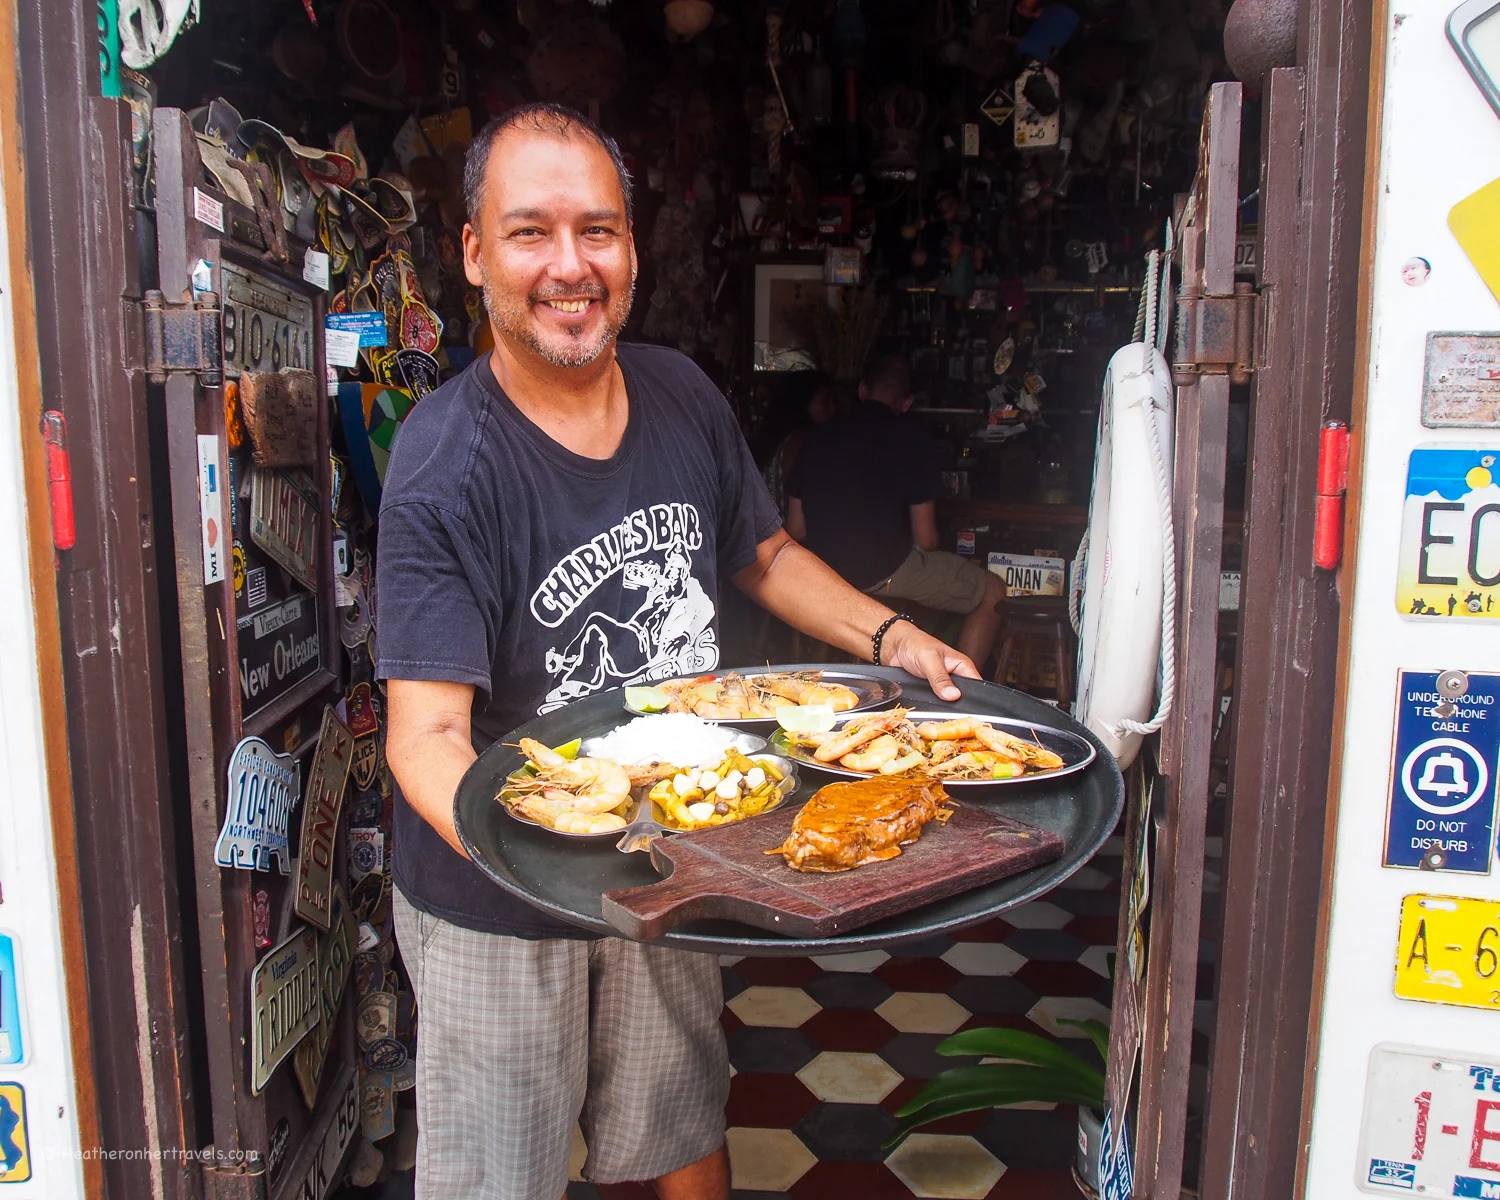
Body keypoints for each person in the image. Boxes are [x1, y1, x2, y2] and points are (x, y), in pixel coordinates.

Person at [376, 102, 980, 1200]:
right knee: (499, 1174)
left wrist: (894, 635)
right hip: (499, 895)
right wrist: (550, 853)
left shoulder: (680, 393)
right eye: (531, 233)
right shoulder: (445, 463)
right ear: (473, 255)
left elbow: (762, 553)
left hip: (673, 854)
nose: (572, 266)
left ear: (634, 246)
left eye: (599, 230)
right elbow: (423, 735)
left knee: (674, 1119)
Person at [785, 354, 1007, 668]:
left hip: (823, 573)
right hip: (885, 570)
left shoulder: (816, 438)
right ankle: (963, 696)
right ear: (906, 403)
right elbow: (927, 538)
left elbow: (796, 530)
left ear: (862, 390)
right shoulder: (913, 439)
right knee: (993, 591)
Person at [762, 376, 838, 519]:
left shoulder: (781, 440)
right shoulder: (800, 443)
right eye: (824, 402)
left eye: (833, 401)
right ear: (802, 404)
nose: (832, 409)